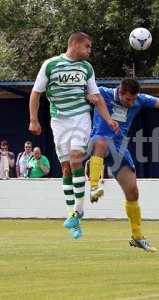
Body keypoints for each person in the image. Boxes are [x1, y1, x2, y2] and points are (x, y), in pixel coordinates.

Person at [88, 78, 159, 253]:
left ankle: (137, 236)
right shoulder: (102, 93)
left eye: (134, 99)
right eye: (128, 99)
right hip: (99, 141)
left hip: (120, 149)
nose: (131, 103)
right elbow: (82, 91)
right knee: (102, 142)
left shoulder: (139, 99)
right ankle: (94, 185)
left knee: (133, 192)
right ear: (120, 92)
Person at [29, 32, 119, 239]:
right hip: (58, 120)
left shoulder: (86, 68)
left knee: (77, 157)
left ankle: (78, 211)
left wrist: (108, 119)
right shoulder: (50, 65)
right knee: (66, 167)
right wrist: (34, 119)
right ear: (75, 45)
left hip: (80, 117)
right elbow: (36, 93)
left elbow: (95, 97)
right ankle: (73, 216)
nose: (89, 50)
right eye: (87, 46)